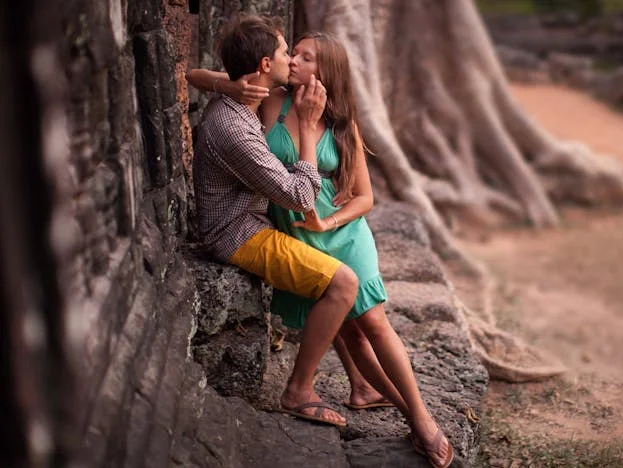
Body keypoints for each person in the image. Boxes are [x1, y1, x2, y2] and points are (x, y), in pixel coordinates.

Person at [187, 31, 454, 468]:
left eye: (305, 57)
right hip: (296, 224)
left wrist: (328, 221)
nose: (292, 60)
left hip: (339, 229)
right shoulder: (272, 100)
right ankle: (366, 392)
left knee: (373, 322)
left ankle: (420, 416)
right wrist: (229, 84)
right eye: (290, 53)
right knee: (347, 328)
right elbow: (194, 75)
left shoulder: (341, 122)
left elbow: (364, 197)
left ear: (325, 71)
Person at [191, 14, 357, 428]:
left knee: (333, 270)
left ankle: (361, 383)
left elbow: (198, 75)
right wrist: (307, 127)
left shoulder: (245, 96)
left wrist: (224, 83)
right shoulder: (234, 128)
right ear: (265, 65)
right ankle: (298, 390)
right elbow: (301, 197)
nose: (292, 60)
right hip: (237, 233)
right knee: (343, 284)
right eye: (286, 52)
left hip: (254, 219)